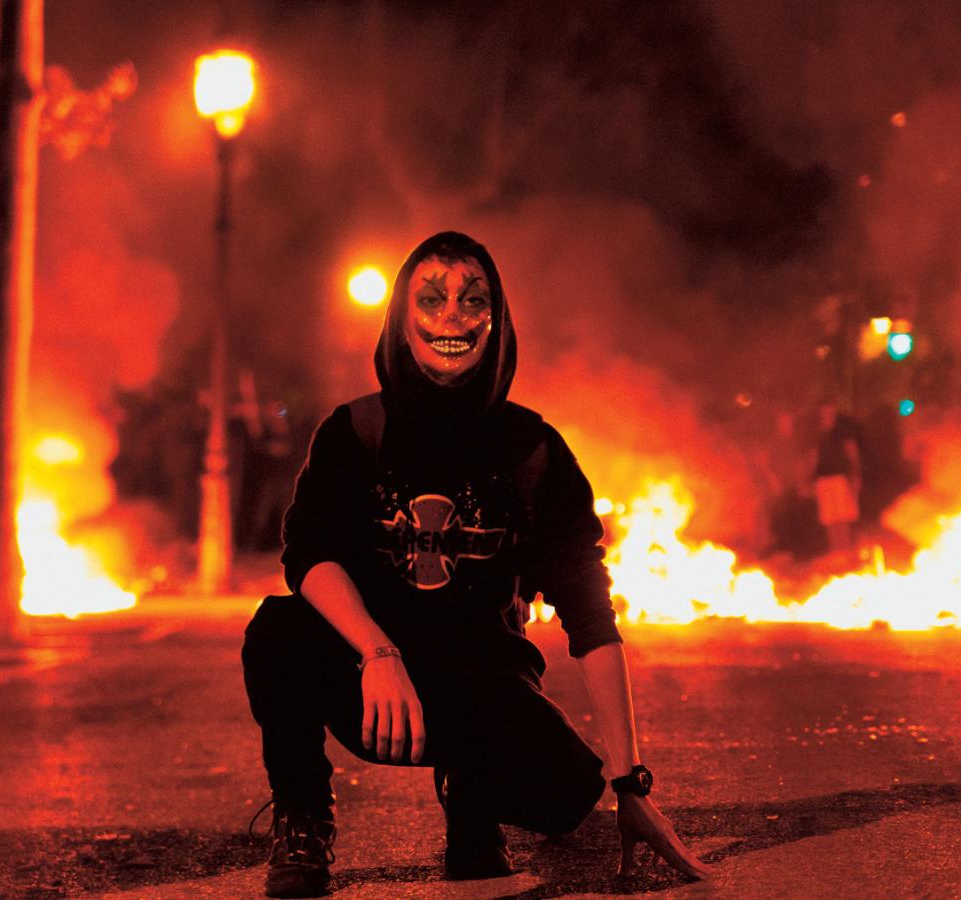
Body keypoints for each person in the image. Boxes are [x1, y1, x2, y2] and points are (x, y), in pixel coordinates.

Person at [241, 231, 711, 897]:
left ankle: (472, 799)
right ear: (401, 318)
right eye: (431, 299)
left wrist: (631, 785)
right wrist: (377, 652)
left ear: (498, 319)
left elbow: (589, 612)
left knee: (565, 794)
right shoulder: (356, 432)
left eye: (473, 300)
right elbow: (309, 552)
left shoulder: (533, 450)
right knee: (278, 631)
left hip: (480, 682)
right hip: (374, 682)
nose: (453, 318)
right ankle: (303, 821)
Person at [812, 400, 862, 559]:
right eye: (824, 412)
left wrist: (856, 476)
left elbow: (852, 453)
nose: (827, 414)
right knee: (829, 519)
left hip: (840, 479)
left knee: (843, 517)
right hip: (823, 480)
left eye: (830, 411)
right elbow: (814, 458)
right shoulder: (817, 433)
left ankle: (845, 550)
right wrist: (810, 479)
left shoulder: (842, 432)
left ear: (834, 412)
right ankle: (836, 552)